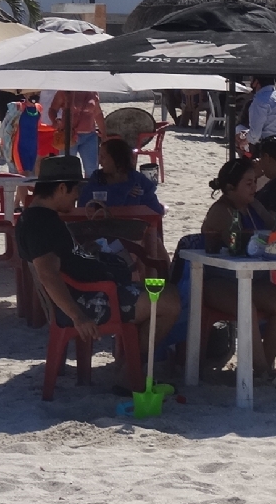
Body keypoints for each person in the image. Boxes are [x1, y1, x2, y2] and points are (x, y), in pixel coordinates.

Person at [16, 155, 180, 368]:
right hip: (91, 301)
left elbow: (59, 263)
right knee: (170, 302)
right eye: (76, 190)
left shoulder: (35, 217)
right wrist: (78, 317)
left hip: (92, 293)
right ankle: (131, 367)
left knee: (161, 292)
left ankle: (130, 360)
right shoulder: (41, 224)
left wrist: (88, 254)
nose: (77, 196)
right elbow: (48, 274)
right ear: (62, 188)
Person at [200, 156, 276, 378]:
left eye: (255, 182)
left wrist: (270, 216)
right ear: (230, 187)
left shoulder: (252, 207)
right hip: (219, 281)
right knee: (247, 306)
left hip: (251, 279)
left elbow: (275, 228)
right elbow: (240, 245)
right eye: (248, 183)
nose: (254, 187)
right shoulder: (221, 211)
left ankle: (261, 367)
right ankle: (263, 370)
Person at [79, 137, 165, 215]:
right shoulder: (97, 178)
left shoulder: (139, 181)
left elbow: (155, 211)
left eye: (103, 157)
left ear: (117, 159)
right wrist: (121, 190)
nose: (99, 161)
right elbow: (84, 204)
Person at [48, 91, 107, 177]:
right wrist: (55, 120)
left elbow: (97, 113)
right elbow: (53, 109)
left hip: (89, 135)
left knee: (92, 168)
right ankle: (69, 189)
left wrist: (104, 132)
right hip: (68, 135)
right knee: (67, 168)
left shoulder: (93, 92)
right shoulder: (65, 92)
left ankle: (89, 189)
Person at [242, 76, 276, 144]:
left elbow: (255, 134)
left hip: (267, 146)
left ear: (256, 82)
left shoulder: (259, 100)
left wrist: (244, 141)